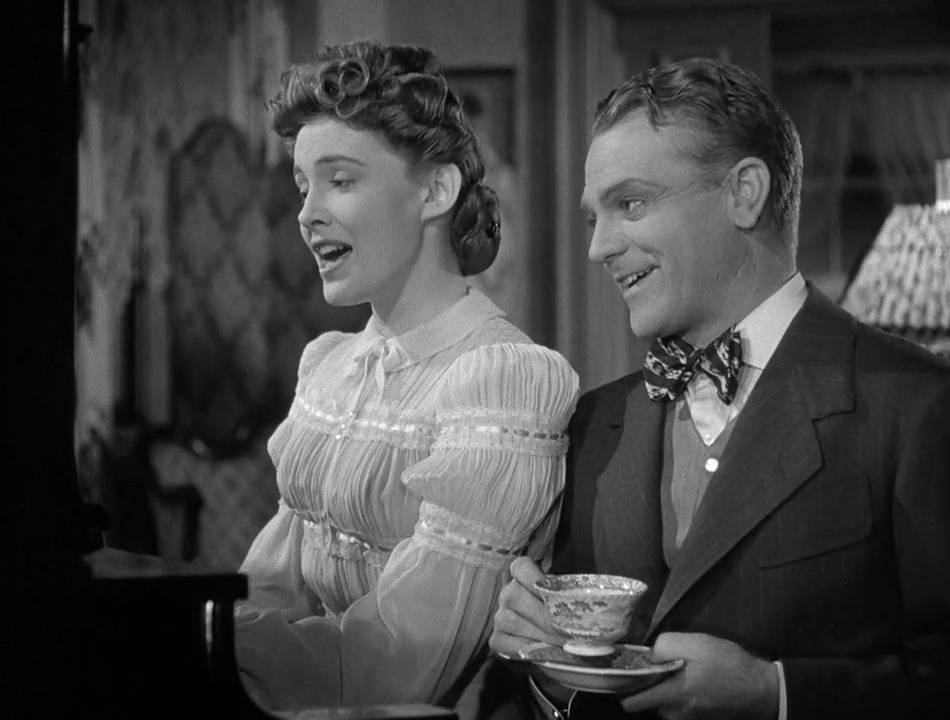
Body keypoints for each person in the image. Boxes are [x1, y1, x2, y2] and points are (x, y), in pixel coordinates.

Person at [490, 58, 950, 719]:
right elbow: (559, 688)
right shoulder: (593, 423)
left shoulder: (917, 405)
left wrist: (774, 693)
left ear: (745, 193)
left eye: (631, 204)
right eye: (595, 218)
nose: (599, 247)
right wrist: (548, 674)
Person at [233, 40, 579, 717]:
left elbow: (396, 664)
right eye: (303, 186)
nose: (307, 213)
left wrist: (224, 657)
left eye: (340, 181)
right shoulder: (330, 365)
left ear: (435, 191)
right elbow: (266, 588)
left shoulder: (502, 382)